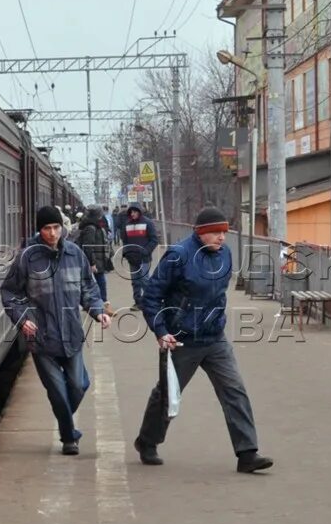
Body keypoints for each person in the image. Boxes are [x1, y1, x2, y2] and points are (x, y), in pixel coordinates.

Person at [135, 207, 272, 473]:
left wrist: (216, 320)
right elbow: (151, 296)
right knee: (167, 394)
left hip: (214, 339)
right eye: (216, 233)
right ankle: (147, 441)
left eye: (224, 232)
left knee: (235, 391)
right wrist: (162, 331)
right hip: (182, 339)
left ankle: (247, 454)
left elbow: (219, 294)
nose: (222, 237)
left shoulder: (225, 254)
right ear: (200, 233)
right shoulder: (179, 255)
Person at [0, 206, 112, 456]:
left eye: (56, 228)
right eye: (47, 228)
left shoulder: (75, 254)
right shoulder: (27, 258)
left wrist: (97, 309)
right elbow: (10, 292)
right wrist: (22, 318)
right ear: (39, 230)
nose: (52, 233)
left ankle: (65, 423)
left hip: (71, 333)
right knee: (58, 391)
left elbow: (88, 288)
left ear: (62, 228)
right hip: (42, 337)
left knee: (79, 384)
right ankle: (68, 437)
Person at [117, 202, 160, 300]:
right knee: (135, 281)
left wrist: (146, 251)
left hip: (144, 258)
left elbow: (154, 240)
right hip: (132, 258)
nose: (132, 214)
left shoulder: (148, 223)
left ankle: (150, 300)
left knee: (144, 279)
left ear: (139, 212)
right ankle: (137, 301)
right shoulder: (127, 224)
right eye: (131, 212)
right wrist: (126, 253)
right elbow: (125, 241)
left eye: (134, 212)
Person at [75, 206, 114, 305]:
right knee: (100, 282)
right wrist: (92, 263)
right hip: (95, 260)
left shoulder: (93, 225)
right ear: (97, 215)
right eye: (100, 214)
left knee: (96, 282)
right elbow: (88, 247)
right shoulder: (91, 228)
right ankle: (102, 303)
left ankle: (99, 303)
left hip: (98, 259)